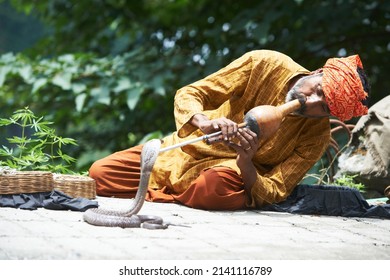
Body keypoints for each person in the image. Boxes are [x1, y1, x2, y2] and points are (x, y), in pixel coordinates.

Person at [89, 50, 370, 210]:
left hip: (226, 171)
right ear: (315, 73)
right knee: (99, 175)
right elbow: (191, 93)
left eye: (325, 108)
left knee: (215, 188)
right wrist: (204, 122)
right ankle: (169, 193)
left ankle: (158, 194)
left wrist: (246, 162)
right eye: (318, 91)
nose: (310, 103)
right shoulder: (265, 64)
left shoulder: (316, 135)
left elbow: (275, 189)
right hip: (186, 151)